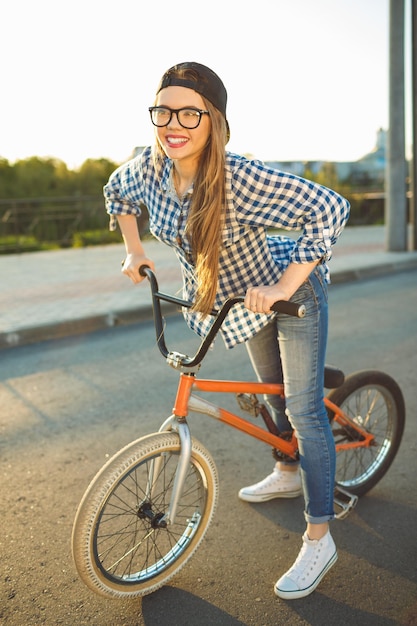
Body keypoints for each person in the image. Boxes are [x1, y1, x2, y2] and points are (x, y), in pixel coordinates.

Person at [103, 61, 350, 600]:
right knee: (275, 399)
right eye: (164, 110)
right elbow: (117, 193)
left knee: (303, 409)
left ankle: (320, 536)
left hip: (289, 297)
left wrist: (284, 286)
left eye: (189, 112)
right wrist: (134, 248)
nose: (174, 122)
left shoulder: (240, 176)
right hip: (235, 301)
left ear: (213, 119)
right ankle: (288, 471)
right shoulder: (149, 168)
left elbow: (331, 208)